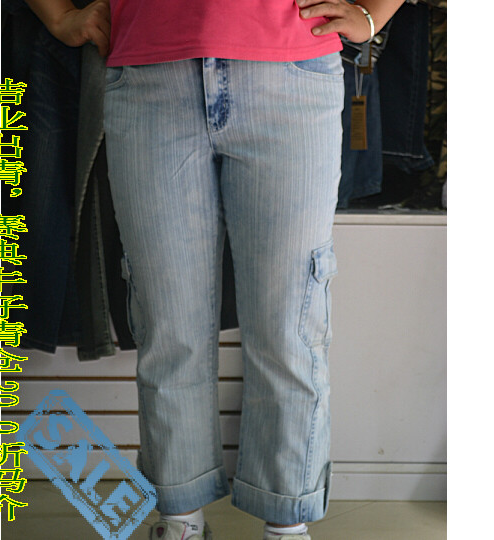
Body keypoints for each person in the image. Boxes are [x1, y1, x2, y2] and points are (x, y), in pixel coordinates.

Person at [24, 1, 406, 539]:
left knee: (289, 327)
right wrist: (59, 15)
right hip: (150, 75)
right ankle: (179, 519)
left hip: (290, 71)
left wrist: (372, 14)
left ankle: (286, 525)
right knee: (169, 325)